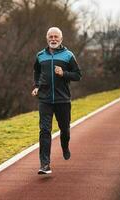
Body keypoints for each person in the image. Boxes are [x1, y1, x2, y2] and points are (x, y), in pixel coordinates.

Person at [31, 27, 82, 174]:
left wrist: (63, 73)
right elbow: (37, 71)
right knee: (44, 130)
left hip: (62, 100)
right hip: (45, 100)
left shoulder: (68, 55)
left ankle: (65, 146)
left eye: (56, 37)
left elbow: (78, 75)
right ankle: (44, 165)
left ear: (61, 39)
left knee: (64, 130)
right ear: (47, 38)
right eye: (51, 37)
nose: (53, 39)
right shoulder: (40, 55)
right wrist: (36, 86)